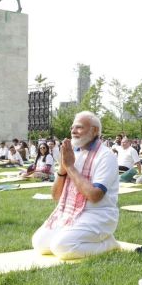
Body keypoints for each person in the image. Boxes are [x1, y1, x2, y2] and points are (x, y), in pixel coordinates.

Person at [32, 111, 120, 260]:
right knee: (39, 243)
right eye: (72, 127)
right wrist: (62, 168)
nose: (73, 131)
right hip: (69, 212)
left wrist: (70, 167)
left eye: (79, 127)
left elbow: (95, 196)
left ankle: (109, 244)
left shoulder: (106, 156)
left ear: (94, 131)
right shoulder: (72, 153)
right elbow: (56, 196)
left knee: (61, 247)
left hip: (97, 214)